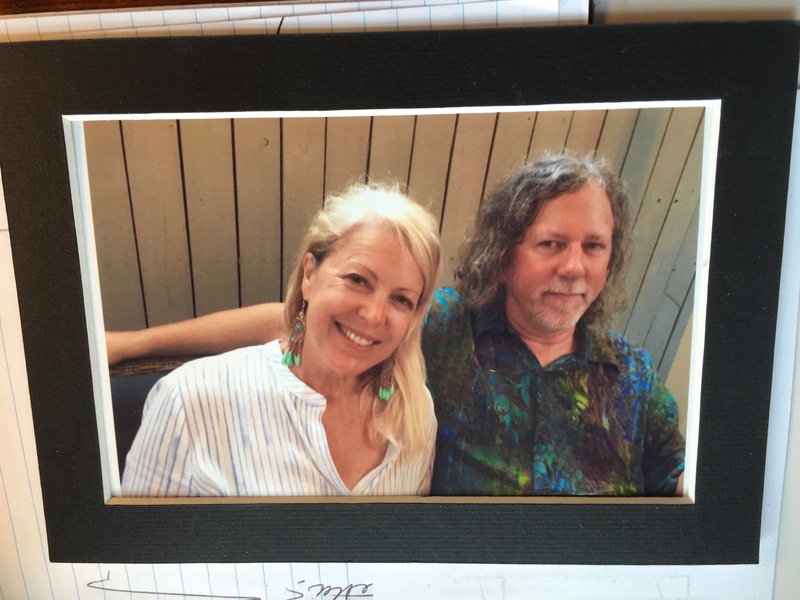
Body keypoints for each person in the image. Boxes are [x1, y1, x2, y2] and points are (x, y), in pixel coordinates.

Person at [111, 153, 685, 497]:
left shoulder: (634, 377)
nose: (574, 267)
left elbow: (684, 485)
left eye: (593, 246)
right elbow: (300, 323)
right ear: (506, 254)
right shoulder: (445, 327)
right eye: (552, 244)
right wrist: (134, 344)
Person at [120, 183, 441, 497]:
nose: (373, 315)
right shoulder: (187, 404)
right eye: (357, 279)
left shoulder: (417, 411)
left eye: (401, 299)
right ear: (309, 275)